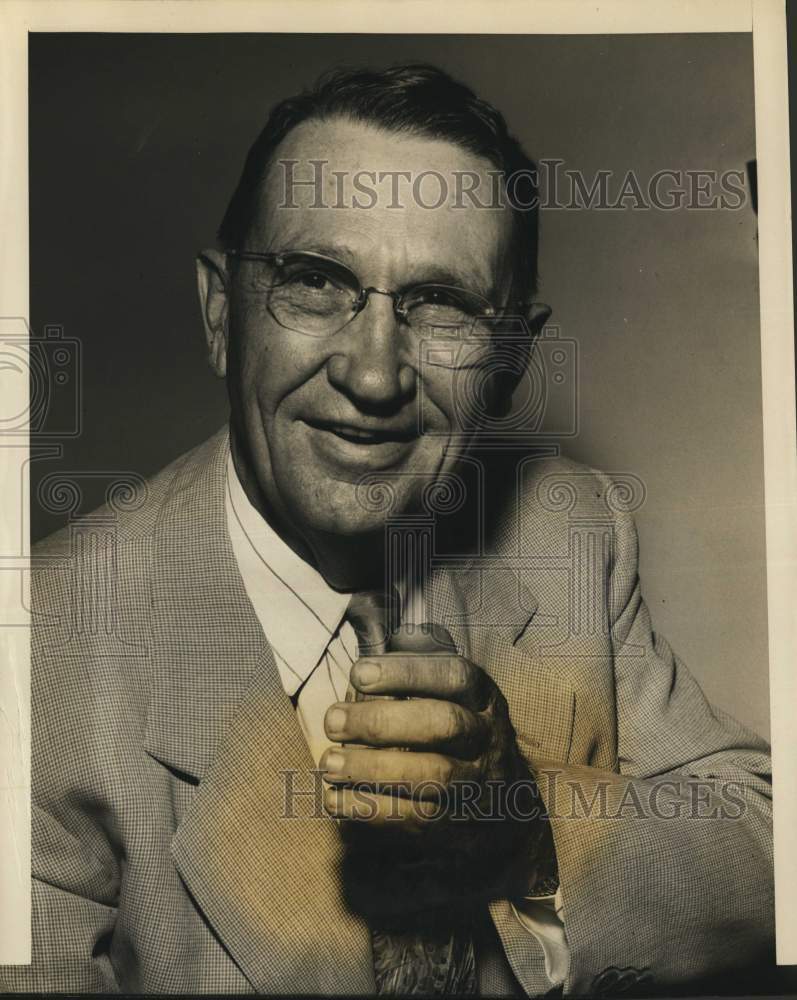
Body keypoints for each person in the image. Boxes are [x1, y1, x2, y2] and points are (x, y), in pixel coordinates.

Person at [2, 64, 773, 996]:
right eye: (316, 282)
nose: (373, 377)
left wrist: (524, 824)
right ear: (220, 313)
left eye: (439, 303)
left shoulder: (564, 529)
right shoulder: (35, 647)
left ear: (509, 359)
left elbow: (765, 855)